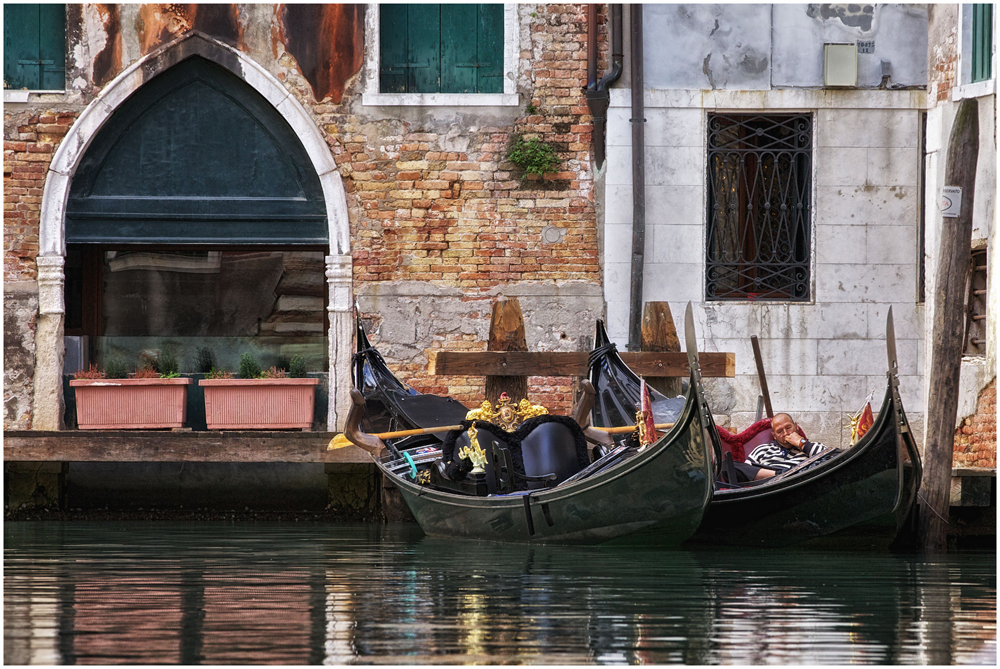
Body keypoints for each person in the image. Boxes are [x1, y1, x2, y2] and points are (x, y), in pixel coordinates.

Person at [742, 413, 827, 480]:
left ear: (796, 427)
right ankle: (781, 474)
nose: (786, 433)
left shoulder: (811, 447)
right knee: (733, 466)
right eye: (779, 431)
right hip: (767, 490)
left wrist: (800, 443)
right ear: (774, 436)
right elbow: (745, 472)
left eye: (788, 427)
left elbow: (832, 458)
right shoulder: (762, 449)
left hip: (796, 487)